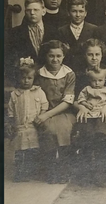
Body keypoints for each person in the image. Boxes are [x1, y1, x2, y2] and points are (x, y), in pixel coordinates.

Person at [32, 40, 77, 181]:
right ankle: (51, 169)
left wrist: (47, 115)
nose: (55, 59)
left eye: (59, 56)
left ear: (63, 56)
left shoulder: (69, 74)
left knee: (64, 126)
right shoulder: (39, 74)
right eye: (51, 56)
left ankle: (63, 168)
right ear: (46, 56)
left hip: (63, 111)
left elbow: (68, 101)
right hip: (43, 111)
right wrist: (43, 114)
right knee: (48, 129)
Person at [73, 48, 106, 183]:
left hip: (104, 112)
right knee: (86, 133)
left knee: (101, 134)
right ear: (85, 55)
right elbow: (75, 98)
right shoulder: (82, 74)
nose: (94, 58)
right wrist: (81, 107)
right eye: (90, 54)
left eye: (97, 54)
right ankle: (86, 171)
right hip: (87, 111)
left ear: (102, 55)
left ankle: (100, 171)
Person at [4, 63, 47, 182]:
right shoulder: (15, 94)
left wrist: (41, 117)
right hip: (20, 126)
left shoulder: (39, 92)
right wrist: (11, 123)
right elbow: (11, 111)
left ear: (34, 78)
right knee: (19, 149)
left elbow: (44, 106)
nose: (26, 81)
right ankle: (19, 172)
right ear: (18, 78)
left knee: (32, 149)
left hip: (34, 126)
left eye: (29, 78)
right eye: (23, 78)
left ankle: (30, 171)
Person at [6, 0, 49, 83]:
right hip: (26, 79)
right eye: (29, 10)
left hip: (48, 78)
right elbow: (10, 57)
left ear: (43, 11)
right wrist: (20, 62)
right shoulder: (15, 33)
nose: (32, 13)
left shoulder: (53, 31)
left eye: (36, 10)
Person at [55, 0, 102, 67]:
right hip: (68, 67)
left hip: (87, 69)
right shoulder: (61, 31)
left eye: (81, 11)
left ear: (85, 13)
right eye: (74, 11)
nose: (78, 15)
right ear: (68, 13)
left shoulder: (94, 29)